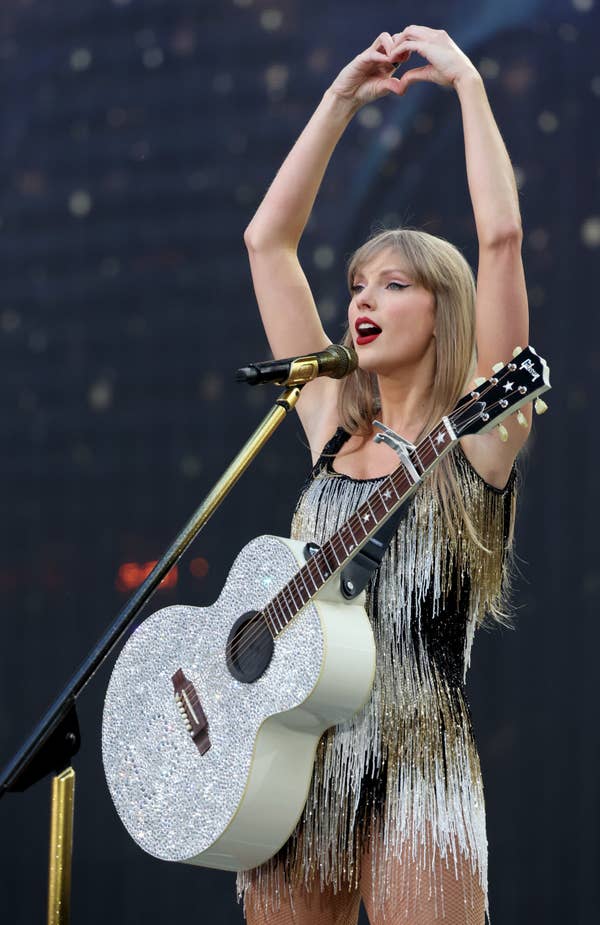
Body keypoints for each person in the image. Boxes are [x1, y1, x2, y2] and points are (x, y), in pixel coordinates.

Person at [238, 25, 530, 925]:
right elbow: (266, 243)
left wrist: (469, 85)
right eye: (358, 284)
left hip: (417, 751)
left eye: (393, 284)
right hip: (298, 756)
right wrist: (337, 103)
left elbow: (505, 239)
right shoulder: (330, 424)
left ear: (444, 312)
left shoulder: (482, 434)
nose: (361, 299)